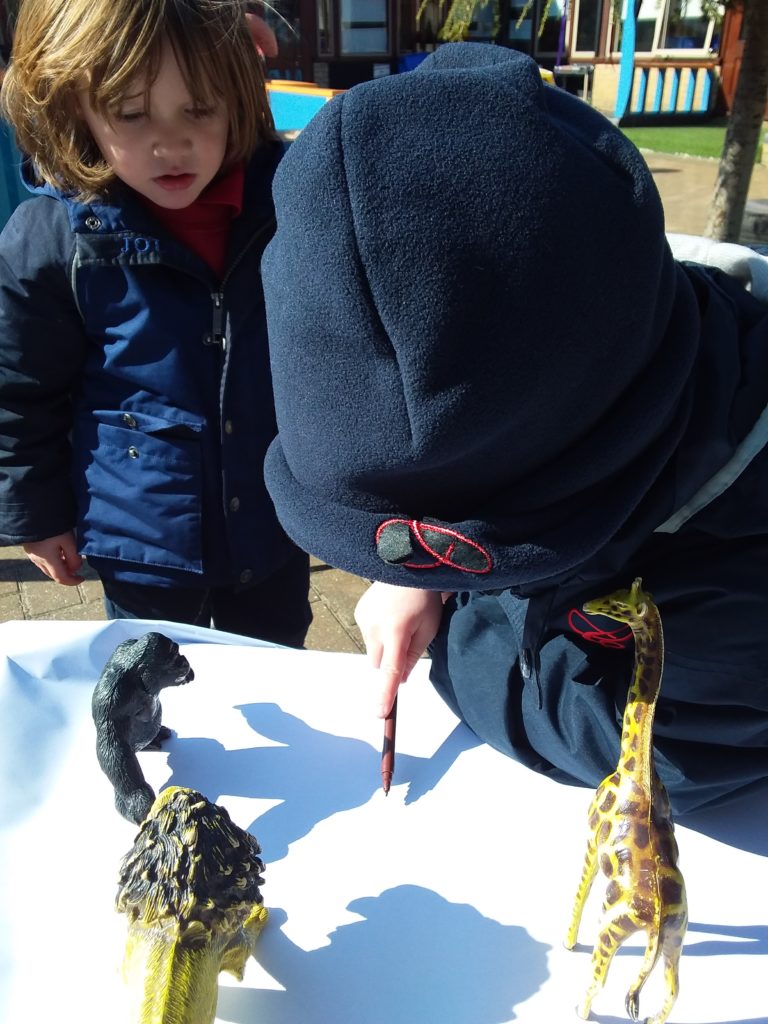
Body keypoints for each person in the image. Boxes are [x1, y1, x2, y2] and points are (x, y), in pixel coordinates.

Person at [260, 42, 768, 813]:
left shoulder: (742, 588)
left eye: (471, 546)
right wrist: (410, 570)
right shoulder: (617, 314)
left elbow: (629, 739)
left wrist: (462, 626)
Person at [0, 0, 311, 646]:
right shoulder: (56, 238)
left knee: (280, 673)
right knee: (156, 708)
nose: (169, 143)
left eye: (198, 109)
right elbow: (21, 394)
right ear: (76, 104)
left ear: (237, 95)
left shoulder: (290, 205)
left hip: (273, 528)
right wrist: (37, 515)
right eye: (131, 114)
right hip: (142, 545)